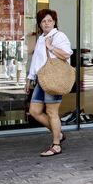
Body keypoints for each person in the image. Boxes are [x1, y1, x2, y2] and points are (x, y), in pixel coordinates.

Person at [25, 9, 72, 157]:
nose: (46, 23)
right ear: (40, 24)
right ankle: (58, 134)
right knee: (34, 111)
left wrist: (50, 46)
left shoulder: (59, 36)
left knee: (52, 112)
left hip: (54, 80)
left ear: (54, 22)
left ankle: (56, 145)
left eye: (49, 20)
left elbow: (66, 54)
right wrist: (29, 78)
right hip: (41, 80)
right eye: (43, 21)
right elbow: (36, 60)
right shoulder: (41, 38)